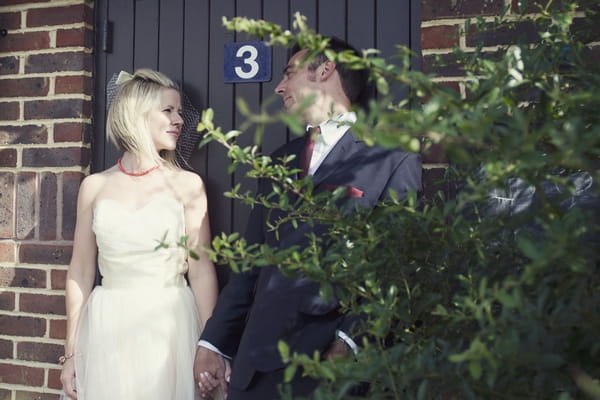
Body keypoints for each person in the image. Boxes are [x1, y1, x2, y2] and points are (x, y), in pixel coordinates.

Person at [194, 37, 422, 399]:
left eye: (289, 74)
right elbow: (252, 262)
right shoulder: (277, 159)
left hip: (332, 372)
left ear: (326, 68)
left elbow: (395, 269)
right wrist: (213, 342)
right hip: (256, 371)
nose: (280, 87)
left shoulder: (392, 159)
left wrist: (347, 344)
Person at [59, 69, 218, 400]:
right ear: (137, 115)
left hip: (170, 323)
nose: (179, 120)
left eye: (180, 112)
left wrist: (210, 345)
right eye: (168, 111)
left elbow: (201, 271)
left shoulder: (188, 185)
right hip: (107, 327)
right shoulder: (95, 187)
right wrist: (71, 353)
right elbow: (81, 271)